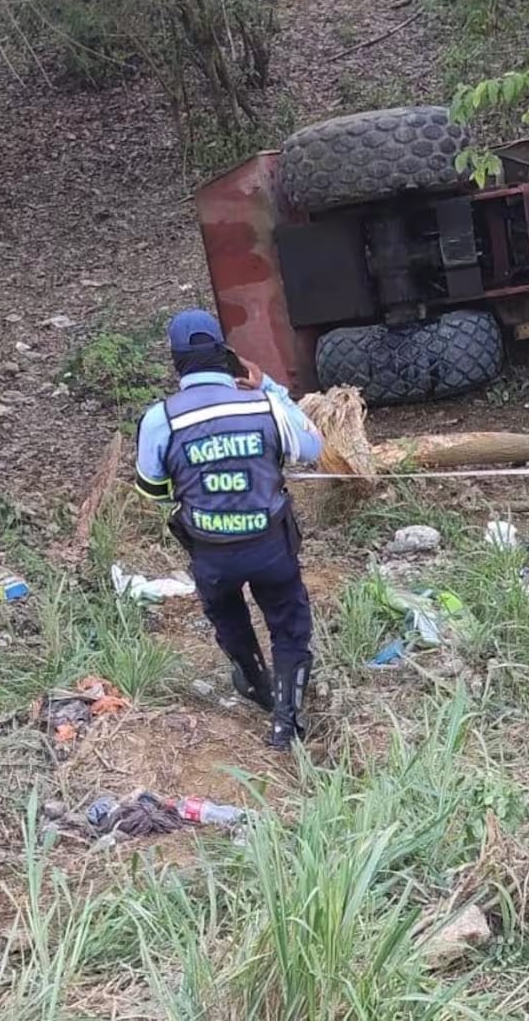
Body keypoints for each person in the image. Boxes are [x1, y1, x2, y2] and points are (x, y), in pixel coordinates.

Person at [134, 309, 323, 750]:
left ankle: (257, 684)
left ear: (176, 360)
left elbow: (153, 490)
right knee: (289, 625)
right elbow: (313, 447)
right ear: (224, 352)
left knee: (228, 618)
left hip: (210, 552)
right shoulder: (265, 405)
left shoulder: (160, 419)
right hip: (271, 546)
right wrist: (270, 386)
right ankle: (287, 723)